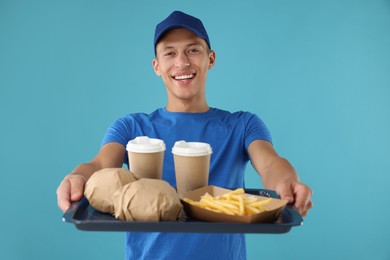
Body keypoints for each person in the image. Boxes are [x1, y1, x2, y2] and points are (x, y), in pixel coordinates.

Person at [57, 11, 313, 260]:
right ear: (157, 66)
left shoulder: (242, 124)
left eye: (193, 50)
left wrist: (287, 182)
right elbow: (101, 165)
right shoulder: (131, 127)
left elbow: (269, 163)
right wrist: (77, 177)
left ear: (210, 59)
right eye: (170, 53)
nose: (182, 62)